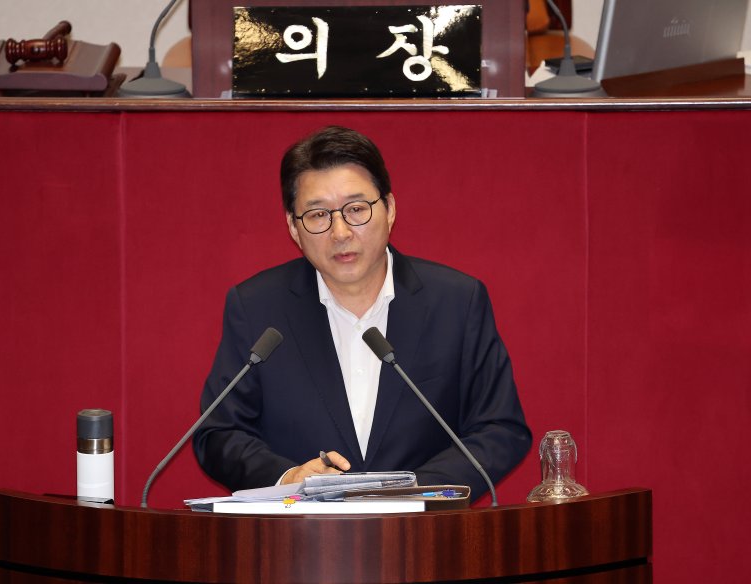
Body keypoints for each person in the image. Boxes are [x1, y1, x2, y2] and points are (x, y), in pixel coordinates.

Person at [193, 126, 531, 500]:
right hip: (297, 530)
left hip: (426, 528)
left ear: (390, 209)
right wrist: (288, 477)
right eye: (318, 215)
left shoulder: (456, 302)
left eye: (356, 209)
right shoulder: (258, 307)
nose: (340, 232)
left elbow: (500, 429)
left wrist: (415, 491)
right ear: (293, 227)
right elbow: (218, 433)